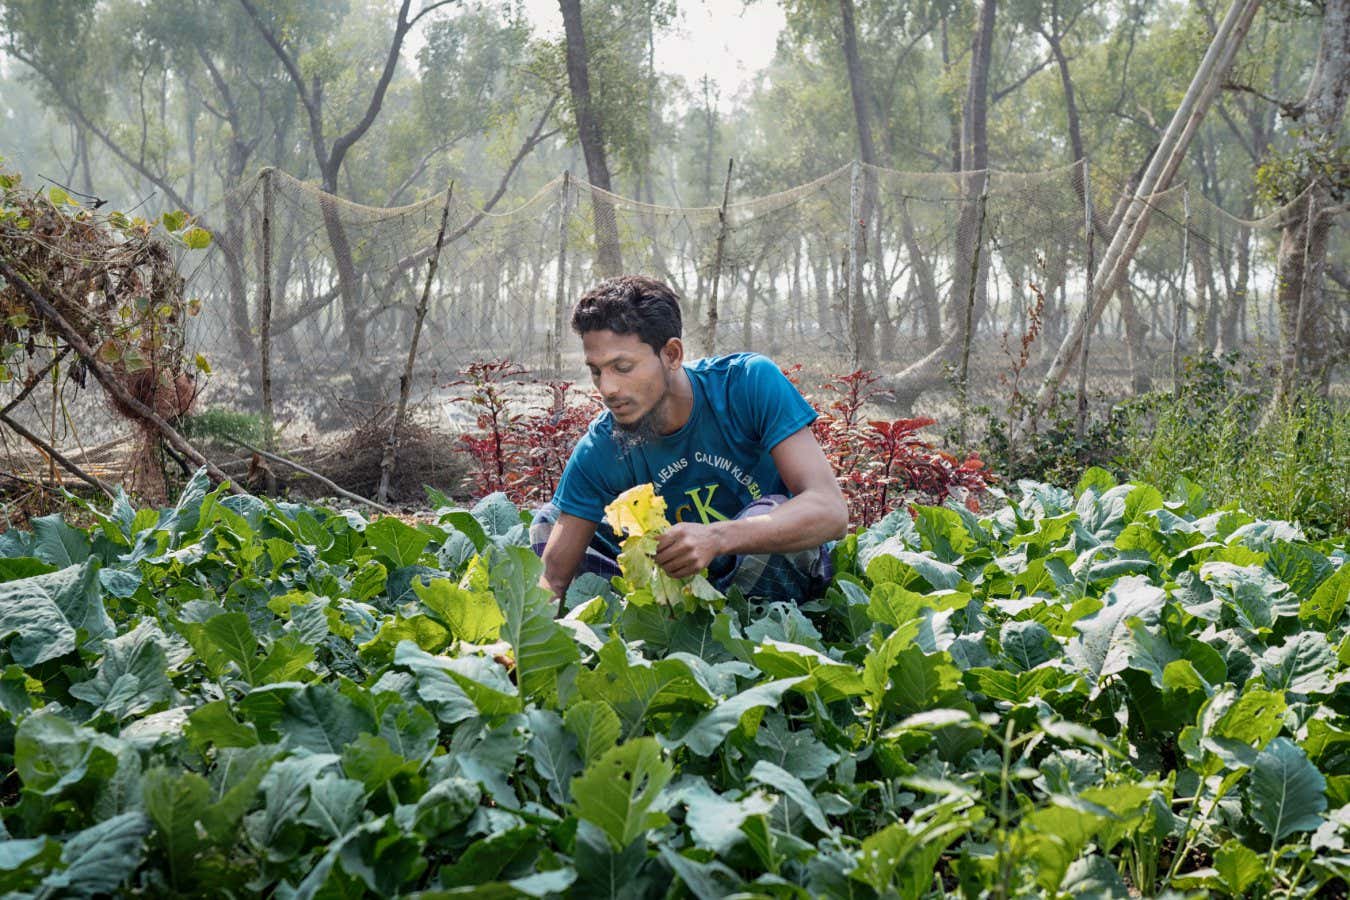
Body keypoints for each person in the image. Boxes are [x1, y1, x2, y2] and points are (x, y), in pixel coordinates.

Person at [531, 274, 848, 606]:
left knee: (775, 511)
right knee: (550, 524)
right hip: (674, 588)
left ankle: (735, 626)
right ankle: (665, 622)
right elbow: (552, 579)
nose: (607, 388)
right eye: (597, 371)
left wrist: (716, 538)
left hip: (762, 577)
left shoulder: (747, 383)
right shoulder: (602, 445)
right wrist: (513, 648)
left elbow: (830, 510)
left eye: (622, 367)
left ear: (671, 355)